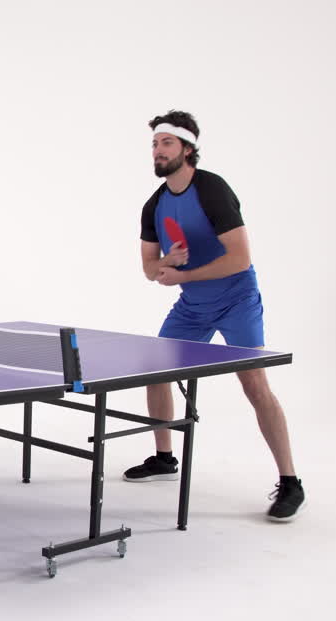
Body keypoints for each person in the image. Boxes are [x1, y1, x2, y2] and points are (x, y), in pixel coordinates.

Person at [125, 110, 304, 522]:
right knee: (156, 372)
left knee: (254, 382)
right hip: (192, 306)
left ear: (187, 149)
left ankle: (291, 482)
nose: (158, 150)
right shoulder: (153, 205)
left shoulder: (212, 190)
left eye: (166, 143)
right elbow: (150, 270)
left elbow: (240, 258)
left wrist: (181, 273)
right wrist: (166, 264)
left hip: (236, 298)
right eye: (154, 144)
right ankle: (164, 458)